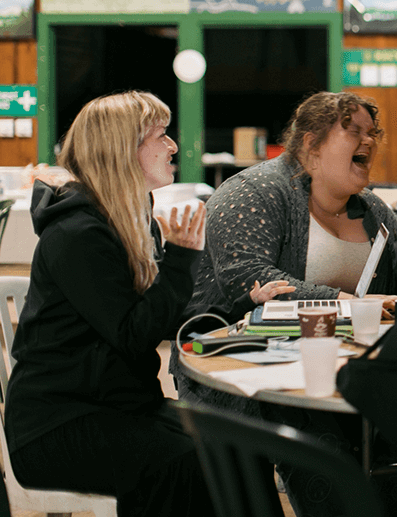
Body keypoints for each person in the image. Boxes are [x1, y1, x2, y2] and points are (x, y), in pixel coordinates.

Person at [3, 91, 281, 517]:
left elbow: (160, 316)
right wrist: (180, 259)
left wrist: (241, 307)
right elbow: (133, 334)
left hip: (121, 406)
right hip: (58, 422)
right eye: (160, 135)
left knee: (245, 444)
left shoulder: (133, 220)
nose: (173, 146)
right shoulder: (77, 235)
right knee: (185, 462)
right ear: (122, 150)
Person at [177, 90, 397, 517]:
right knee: (322, 440)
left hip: (345, 364)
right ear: (311, 146)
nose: (369, 141)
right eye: (354, 131)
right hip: (245, 366)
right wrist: (342, 301)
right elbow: (247, 277)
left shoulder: (374, 211)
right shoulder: (252, 192)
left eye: (373, 132)